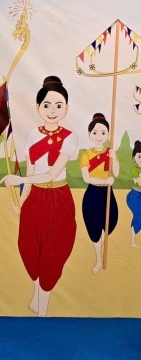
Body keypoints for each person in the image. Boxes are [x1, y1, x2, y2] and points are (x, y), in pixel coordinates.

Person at [1, 76, 77, 317]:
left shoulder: (70, 137)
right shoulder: (33, 135)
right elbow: (31, 171)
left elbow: (51, 173)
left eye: (58, 105)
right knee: (30, 247)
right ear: (38, 108)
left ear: (66, 108)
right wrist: (23, 200)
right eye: (47, 105)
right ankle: (37, 292)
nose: (52, 110)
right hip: (35, 198)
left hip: (58, 198)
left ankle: (43, 308)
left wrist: (20, 181)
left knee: (54, 250)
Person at [80, 112, 120, 274]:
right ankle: (98, 259)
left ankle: (101, 253)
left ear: (108, 134)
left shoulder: (110, 153)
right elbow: (86, 178)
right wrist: (104, 182)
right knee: (94, 227)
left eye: (103, 133)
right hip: (93, 195)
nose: (99, 136)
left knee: (110, 223)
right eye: (95, 133)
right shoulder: (86, 155)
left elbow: (116, 173)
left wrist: (114, 159)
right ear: (89, 134)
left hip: (108, 194)